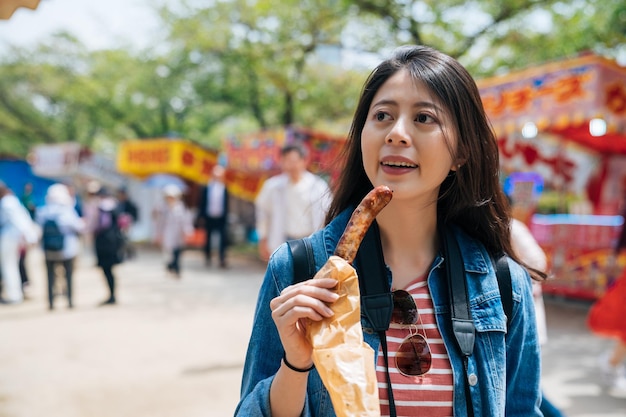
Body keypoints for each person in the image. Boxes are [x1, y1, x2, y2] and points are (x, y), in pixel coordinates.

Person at [236, 45, 544, 416]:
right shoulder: (297, 270)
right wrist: (297, 363)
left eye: (424, 118)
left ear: (461, 151)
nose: (397, 133)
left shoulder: (502, 284)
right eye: (382, 115)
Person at [510, 213, 566, 416]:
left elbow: (537, 261)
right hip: (516, 318)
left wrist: (516, 280)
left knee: (525, 386)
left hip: (523, 317)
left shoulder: (511, 227)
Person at [255, 143, 331, 262]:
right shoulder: (273, 186)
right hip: (284, 240)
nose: (290, 165)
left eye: (293, 160)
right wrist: (263, 240)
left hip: (310, 241)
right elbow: (263, 215)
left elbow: (327, 216)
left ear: (304, 161)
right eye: (286, 160)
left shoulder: (318, 186)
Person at [36, 183, 85, 310]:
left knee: (50, 276)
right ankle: (69, 301)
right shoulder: (67, 211)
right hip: (68, 249)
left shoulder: (43, 211)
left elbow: (38, 229)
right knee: (68, 275)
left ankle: (51, 302)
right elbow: (78, 226)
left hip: (48, 250)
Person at [0, 180, 39, 304]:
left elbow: (19, 220)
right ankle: (15, 294)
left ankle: (14, 295)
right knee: (11, 265)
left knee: (8, 266)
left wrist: (30, 236)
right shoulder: (11, 200)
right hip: (12, 236)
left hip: (10, 236)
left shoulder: (7, 202)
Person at [154, 184, 193, 278]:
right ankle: (170, 266)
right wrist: (158, 234)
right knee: (168, 252)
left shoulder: (180, 207)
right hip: (167, 233)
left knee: (177, 252)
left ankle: (177, 269)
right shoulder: (162, 208)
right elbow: (159, 222)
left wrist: (187, 231)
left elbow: (185, 220)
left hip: (177, 233)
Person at [93, 187, 124, 305]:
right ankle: (112, 294)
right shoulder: (116, 207)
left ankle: (112, 295)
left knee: (107, 270)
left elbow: (100, 226)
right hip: (114, 243)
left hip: (104, 243)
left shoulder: (100, 208)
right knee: (109, 270)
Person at [196, 165, 230, 268]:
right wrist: (201, 216)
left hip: (221, 217)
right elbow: (202, 202)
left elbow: (226, 204)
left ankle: (222, 259)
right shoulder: (207, 187)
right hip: (209, 216)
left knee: (222, 239)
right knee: (208, 238)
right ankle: (207, 257)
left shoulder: (224, 188)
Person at [116, 186, 139, 259]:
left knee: (128, 240)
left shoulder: (130, 204)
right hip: (119, 226)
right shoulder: (118, 204)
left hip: (128, 226)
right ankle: (121, 254)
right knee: (121, 240)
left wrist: (128, 220)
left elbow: (135, 215)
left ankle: (130, 253)